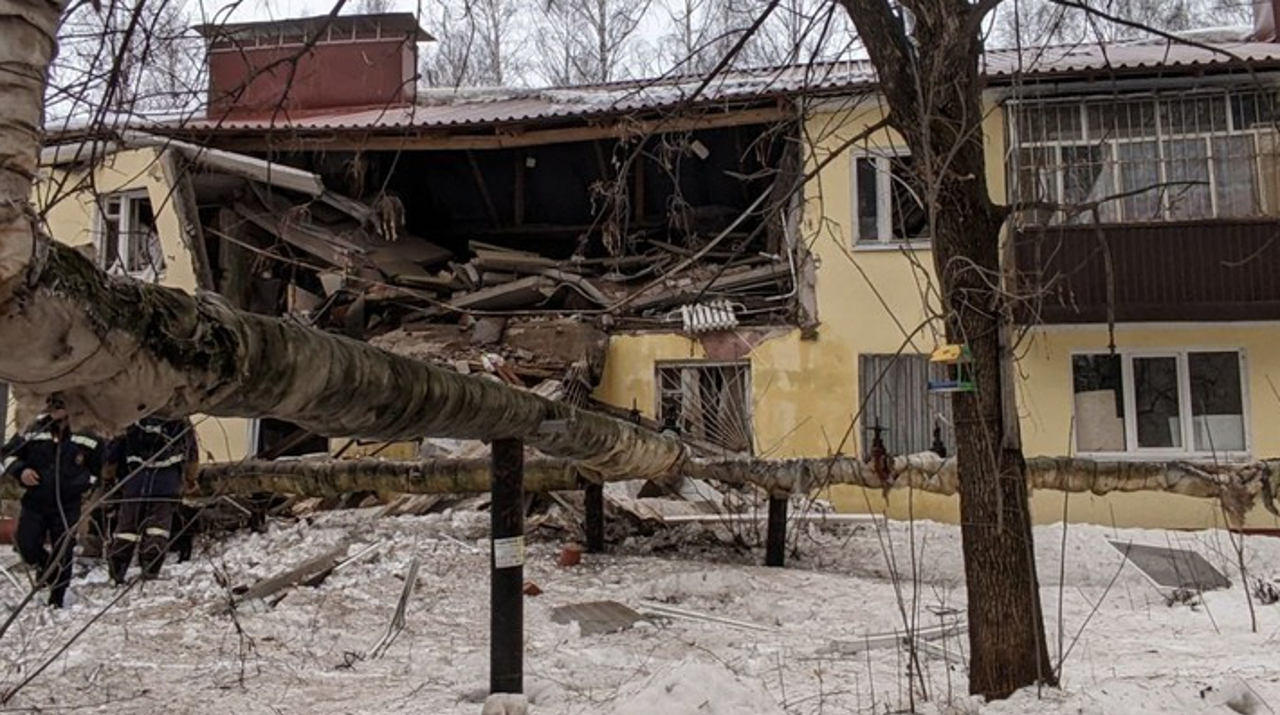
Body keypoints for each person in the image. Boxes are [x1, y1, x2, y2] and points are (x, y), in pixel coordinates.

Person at [1, 395, 105, 608]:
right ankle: (44, 566)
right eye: (52, 405)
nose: (54, 410)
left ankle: (57, 597)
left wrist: (83, 484)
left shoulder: (86, 433)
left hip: (67, 504)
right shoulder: (33, 429)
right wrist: (21, 472)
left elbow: (99, 467)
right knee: (26, 544)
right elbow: (8, 455)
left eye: (60, 405)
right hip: (35, 501)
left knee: (63, 550)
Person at [106, 415, 196, 583]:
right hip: (167, 482)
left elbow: (114, 450)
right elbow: (191, 451)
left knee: (127, 528)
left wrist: (108, 477)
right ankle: (150, 569)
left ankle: (117, 570)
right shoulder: (179, 418)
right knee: (158, 528)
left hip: (135, 481)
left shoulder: (131, 417)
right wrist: (191, 477)